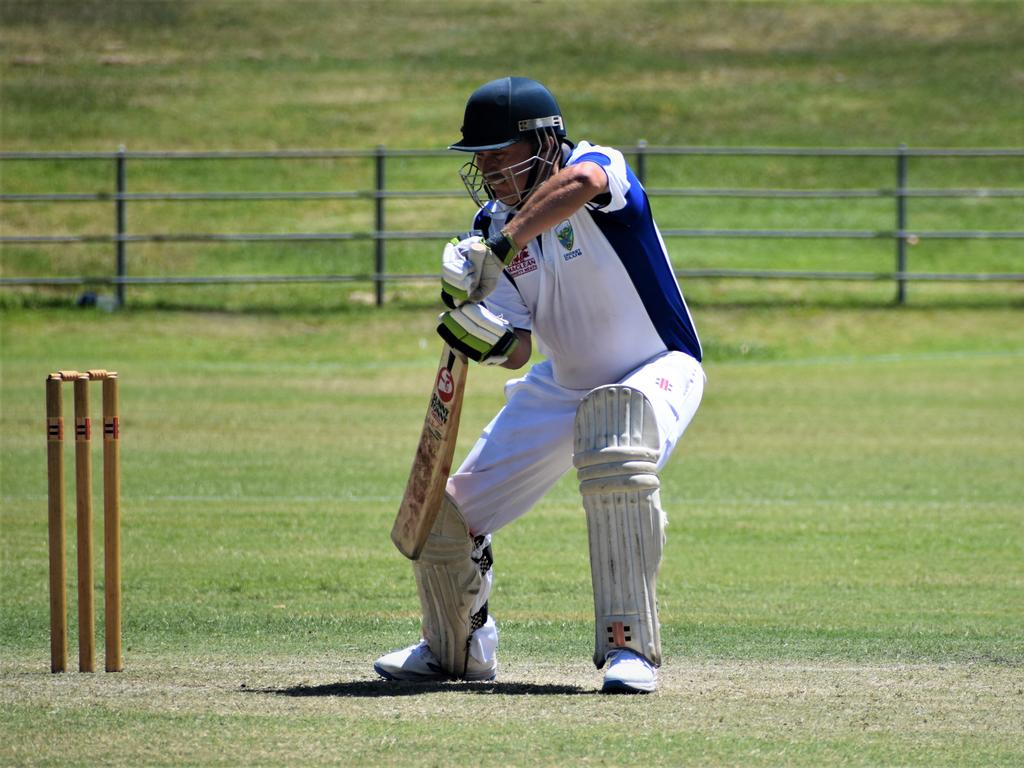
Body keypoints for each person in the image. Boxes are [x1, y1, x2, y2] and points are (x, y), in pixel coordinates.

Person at [374, 76, 704, 693]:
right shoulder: (488, 224)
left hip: (660, 365)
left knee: (616, 444)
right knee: (450, 515)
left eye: (500, 153)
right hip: (564, 382)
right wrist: (485, 337)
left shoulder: (595, 165)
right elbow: (521, 345)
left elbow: (581, 187)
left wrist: (500, 244)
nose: (487, 168)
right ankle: (456, 650)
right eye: (480, 157)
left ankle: (629, 648)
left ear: (544, 140)